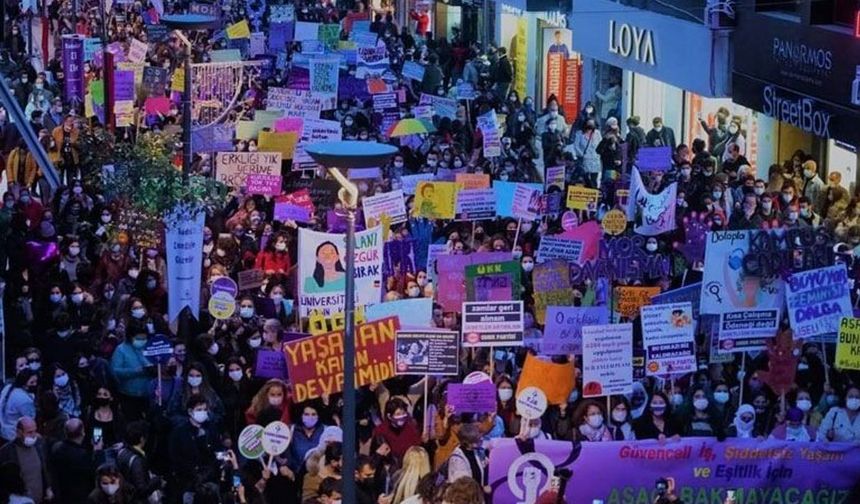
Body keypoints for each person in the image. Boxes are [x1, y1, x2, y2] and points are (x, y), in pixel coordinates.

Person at [0, 417, 53, 503]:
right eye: (29, 432)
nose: (33, 435)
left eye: (35, 431)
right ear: (19, 432)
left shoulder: (40, 445)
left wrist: (48, 487)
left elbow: (45, 469)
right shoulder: (6, 452)